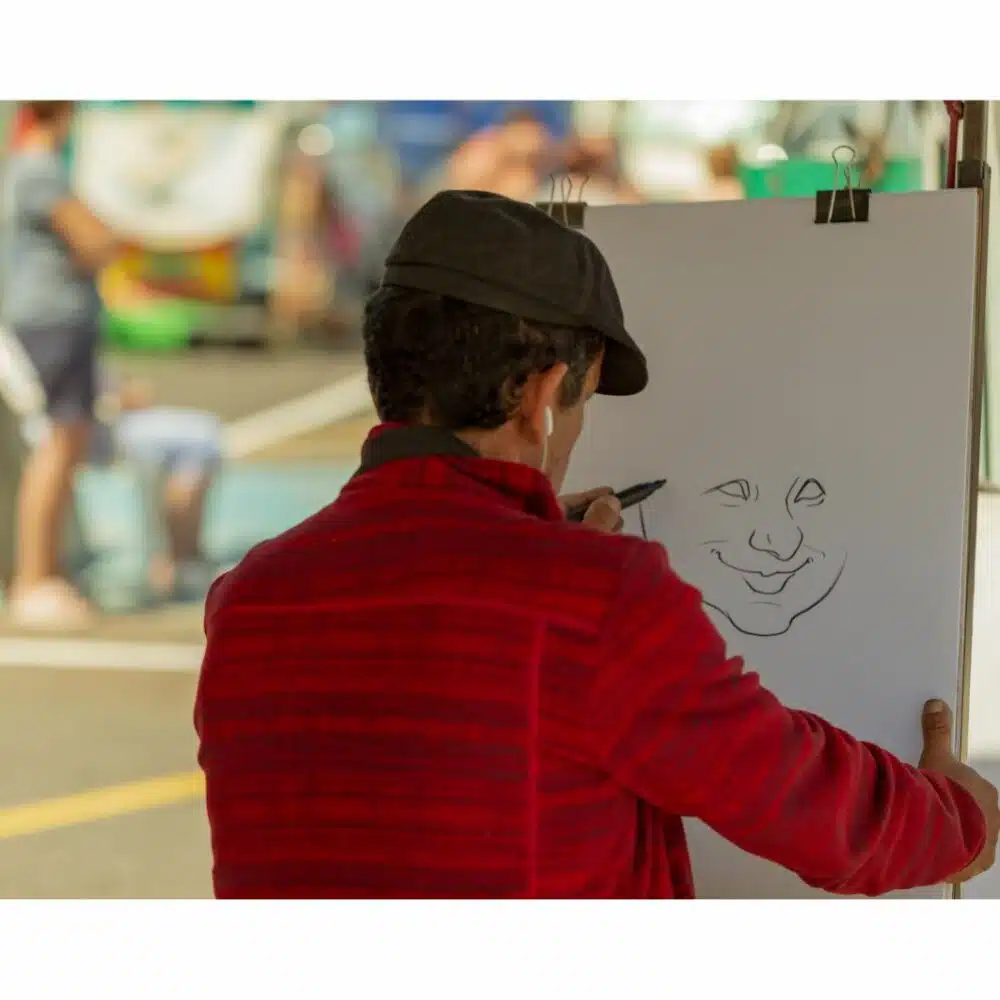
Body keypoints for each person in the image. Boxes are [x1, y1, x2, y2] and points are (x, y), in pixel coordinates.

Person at [194, 190, 998, 899]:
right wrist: (962, 819)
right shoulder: (594, 601)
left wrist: (548, 558)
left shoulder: (250, 597)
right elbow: (807, 805)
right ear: (543, 395)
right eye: (582, 404)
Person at [2, 100, 122, 628]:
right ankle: (34, 579)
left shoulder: (29, 165)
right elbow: (95, 240)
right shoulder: (40, 168)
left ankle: (45, 573)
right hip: (51, 321)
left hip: (48, 319)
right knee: (56, 443)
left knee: (61, 444)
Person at [89, 373, 222, 602]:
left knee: (203, 433)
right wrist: (121, 398)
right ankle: (177, 557)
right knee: (201, 436)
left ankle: (182, 555)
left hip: (111, 417)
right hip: (105, 423)